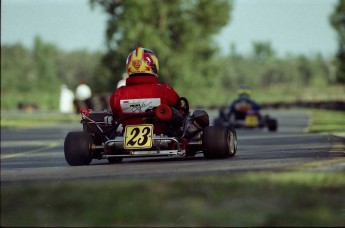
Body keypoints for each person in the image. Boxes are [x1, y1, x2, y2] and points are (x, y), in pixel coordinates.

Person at [109, 46, 180, 134]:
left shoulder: (117, 95)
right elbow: (180, 113)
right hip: (164, 143)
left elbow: (115, 117)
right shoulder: (165, 91)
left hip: (124, 145)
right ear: (153, 65)